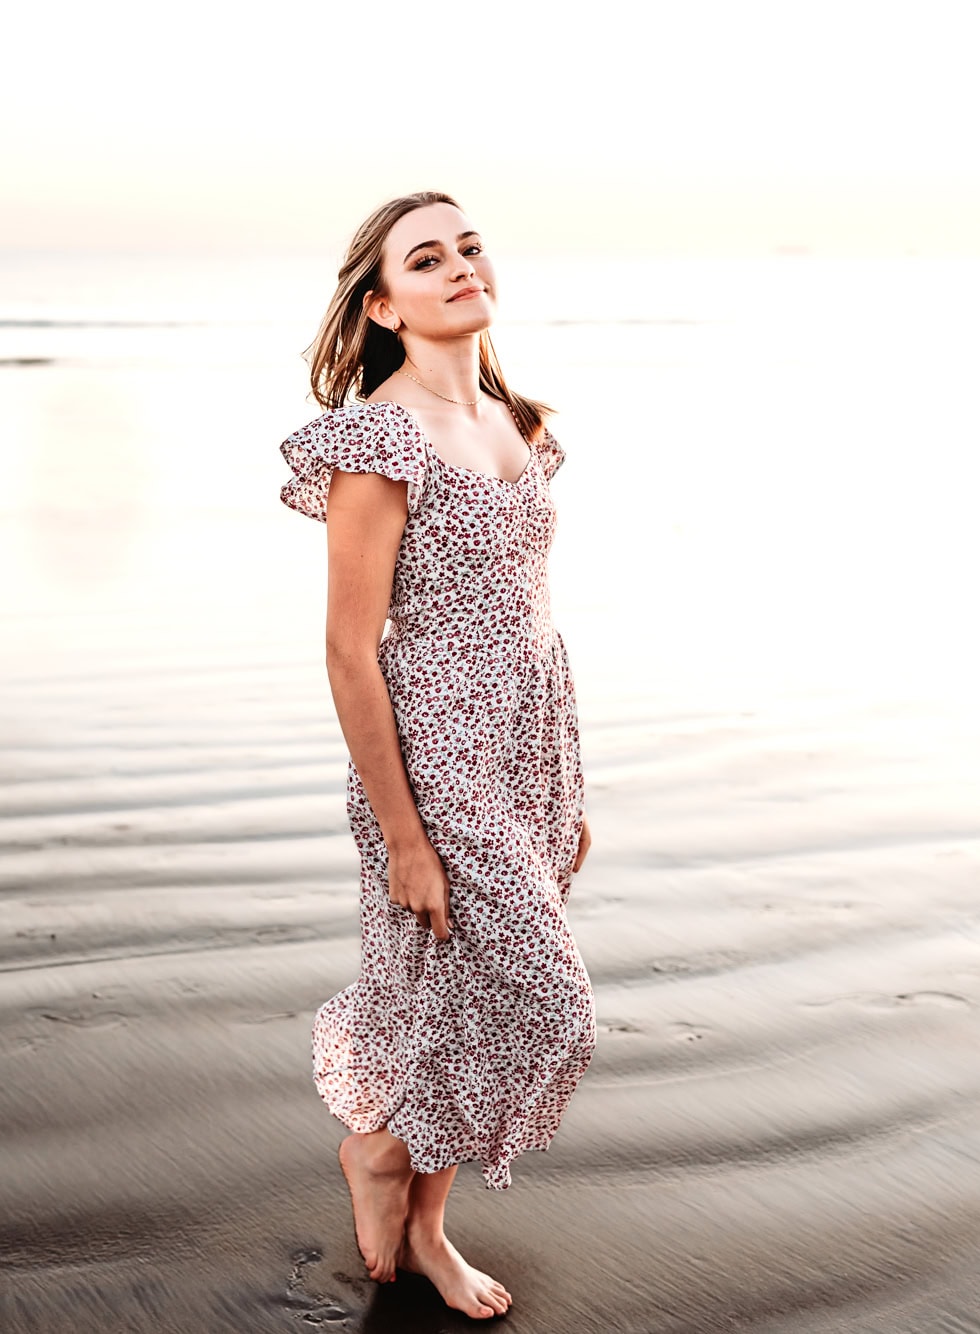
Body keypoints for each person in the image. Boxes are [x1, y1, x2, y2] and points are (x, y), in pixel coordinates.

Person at [276, 191, 597, 1320]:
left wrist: (568, 784)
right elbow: (348, 650)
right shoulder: (378, 439)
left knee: (456, 988)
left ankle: (422, 1223)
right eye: (426, 258)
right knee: (548, 999)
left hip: (529, 739)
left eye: (468, 245)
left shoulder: (516, 421)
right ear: (383, 305)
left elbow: (533, 611)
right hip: (438, 751)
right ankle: (376, 1146)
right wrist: (405, 835)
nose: (459, 264)